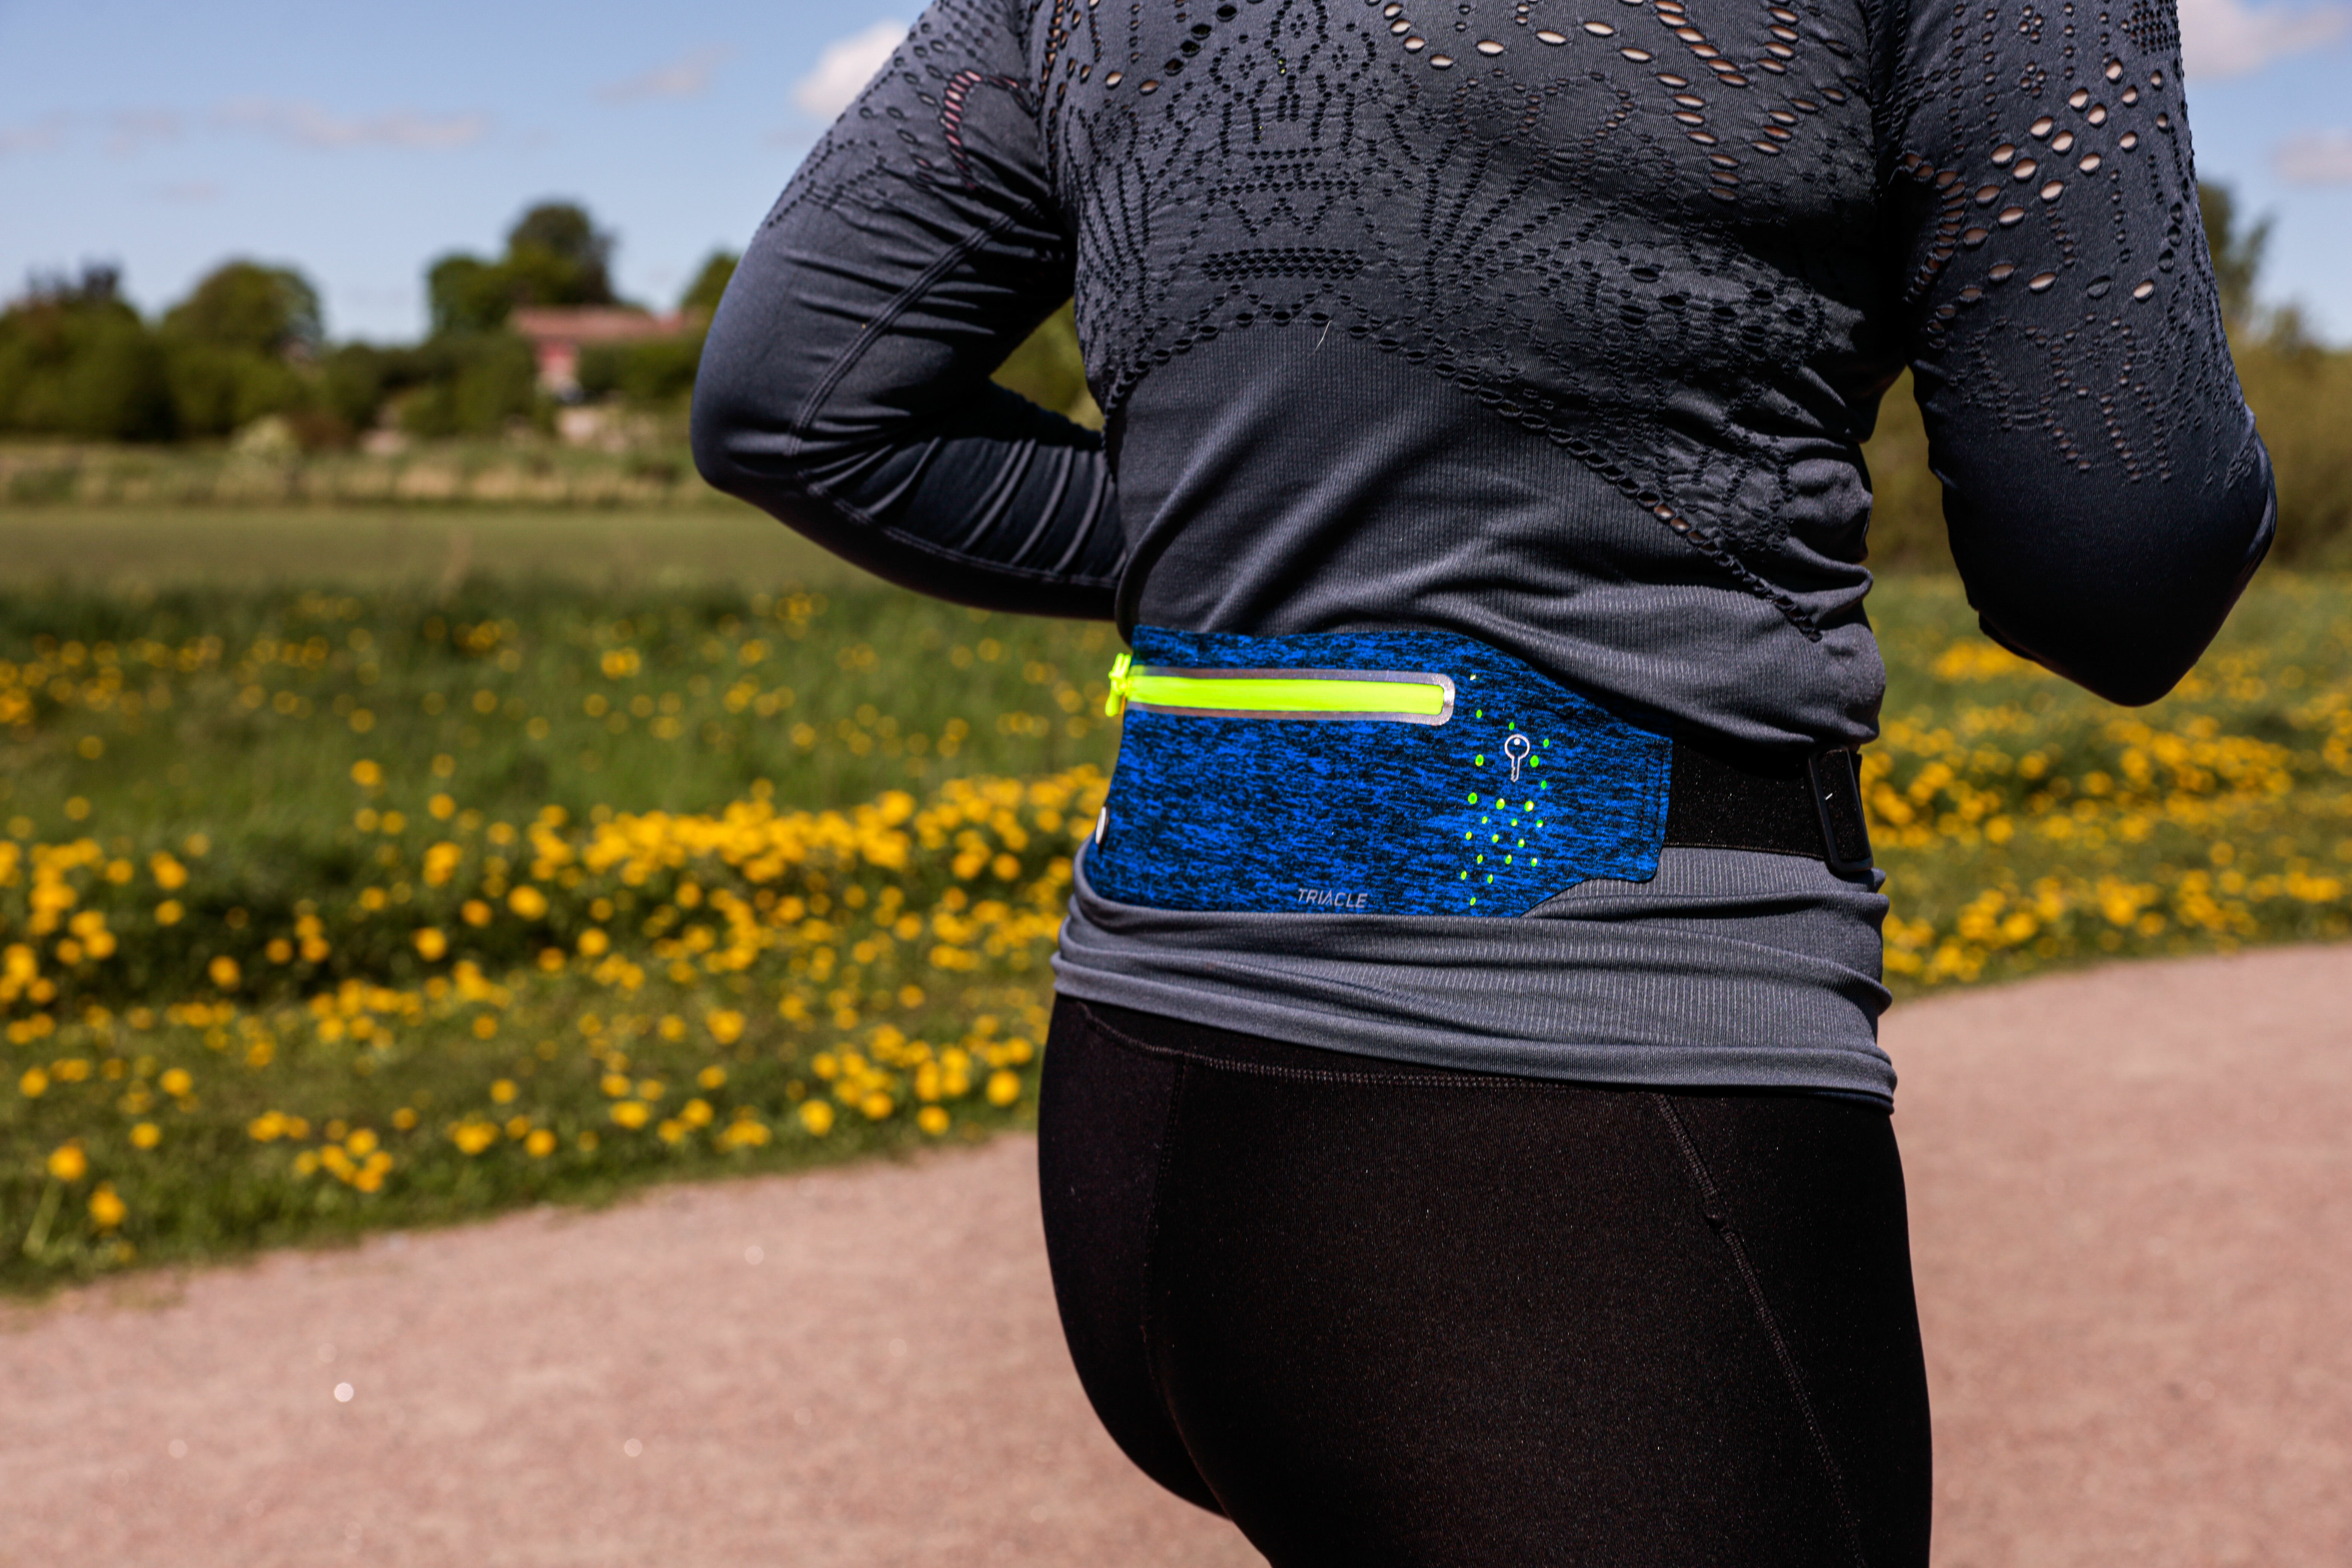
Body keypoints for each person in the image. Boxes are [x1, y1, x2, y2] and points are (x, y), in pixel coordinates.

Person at [692, 0, 2273, 1558]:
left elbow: (798, 401)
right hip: (1569, 1161)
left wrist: (1281, 559)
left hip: (1141, 1102)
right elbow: (2121, 561)